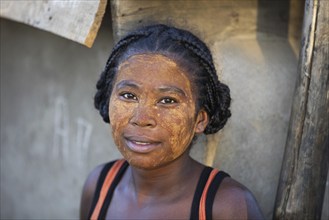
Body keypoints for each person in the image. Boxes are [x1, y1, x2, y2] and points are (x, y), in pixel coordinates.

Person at [80, 24, 264, 220]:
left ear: (199, 120)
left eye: (167, 100)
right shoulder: (99, 187)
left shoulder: (228, 206)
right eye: (128, 95)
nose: (142, 119)